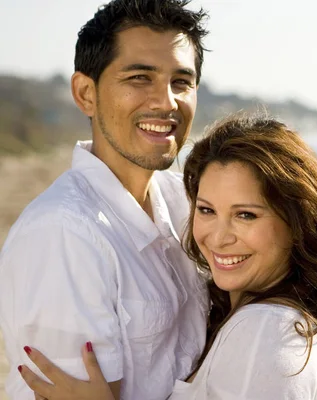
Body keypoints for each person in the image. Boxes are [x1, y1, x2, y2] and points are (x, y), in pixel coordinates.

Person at [18, 113, 317, 399]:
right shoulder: (273, 313)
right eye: (206, 210)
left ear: (297, 223)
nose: (217, 238)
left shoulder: (266, 334)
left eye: (246, 214)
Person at [0, 1, 210, 399]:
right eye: (139, 78)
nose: (166, 102)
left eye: (181, 82)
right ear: (85, 94)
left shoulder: (186, 201)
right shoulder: (63, 233)